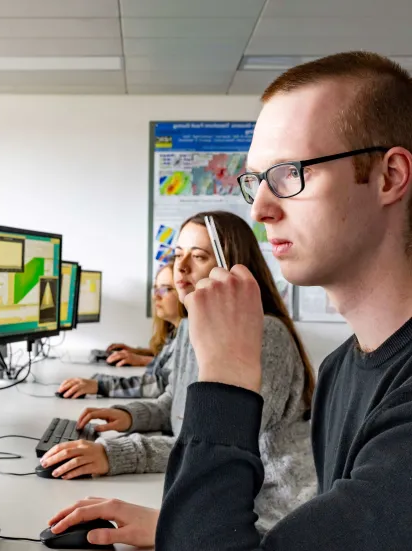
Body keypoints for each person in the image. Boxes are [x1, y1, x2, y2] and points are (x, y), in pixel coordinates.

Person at [48, 51, 412, 550]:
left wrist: (226, 375)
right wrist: (188, 526)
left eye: (289, 173)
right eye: (256, 181)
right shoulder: (343, 370)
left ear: (389, 176)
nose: (261, 208)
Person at [43, 211, 317, 541]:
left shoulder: (264, 334)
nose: (181, 267)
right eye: (177, 255)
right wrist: (128, 416)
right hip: (219, 493)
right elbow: (176, 402)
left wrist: (114, 454)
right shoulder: (191, 325)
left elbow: (222, 438)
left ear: (232, 266)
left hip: (268, 512)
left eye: (198, 256)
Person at [57, 261, 183, 399]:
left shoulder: (190, 339)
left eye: (166, 289)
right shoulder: (176, 333)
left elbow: (160, 384)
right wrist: (139, 353)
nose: (156, 296)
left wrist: (100, 385)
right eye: (156, 289)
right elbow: (163, 368)